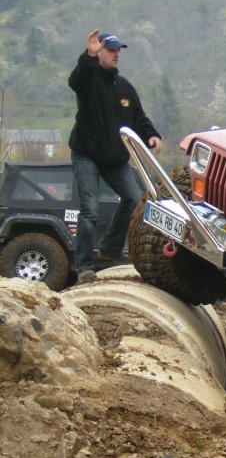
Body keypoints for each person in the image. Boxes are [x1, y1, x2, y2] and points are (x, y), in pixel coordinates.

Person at [68, 30, 162, 282]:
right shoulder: (88, 80)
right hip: (86, 154)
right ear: (100, 52)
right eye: (111, 49)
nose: (117, 54)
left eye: (119, 49)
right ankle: (85, 267)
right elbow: (77, 80)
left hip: (115, 159)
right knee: (90, 210)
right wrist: (89, 54)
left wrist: (152, 135)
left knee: (134, 199)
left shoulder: (125, 88)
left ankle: (110, 246)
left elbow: (139, 119)